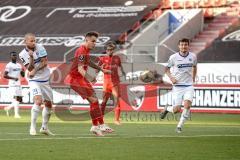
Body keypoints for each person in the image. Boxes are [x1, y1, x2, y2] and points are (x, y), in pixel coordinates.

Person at [65, 31, 114, 136]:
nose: (94, 43)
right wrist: (90, 77)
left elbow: (88, 62)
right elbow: (80, 69)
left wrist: (101, 69)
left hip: (79, 79)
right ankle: (99, 125)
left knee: (94, 101)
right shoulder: (82, 51)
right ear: (86, 40)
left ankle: (97, 126)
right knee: (94, 100)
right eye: (93, 41)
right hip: (75, 79)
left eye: (95, 42)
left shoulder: (85, 50)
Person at [19, 33, 54, 136]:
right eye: (31, 41)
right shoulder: (22, 54)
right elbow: (29, 69)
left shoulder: (40, 47)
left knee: (49, 105)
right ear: (25, 42)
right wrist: (31, 58)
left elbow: (45, 62)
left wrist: (35, 69)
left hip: (45, 79)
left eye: (34, 40)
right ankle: (32, 127)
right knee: (38, 101)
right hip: (34, 80)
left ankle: (44, 127)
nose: (34, 42)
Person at [160, 38, 197, 133]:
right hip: (178, 86)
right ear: (179, 46)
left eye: (185, 44)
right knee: (176, 110)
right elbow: (166, 69)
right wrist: (171, 78)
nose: (184, 46)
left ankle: (179, 126)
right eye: (182, 45)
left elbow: (194, 66)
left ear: (188, 46)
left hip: (189, 86)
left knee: (187, 105)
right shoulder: (173, 57)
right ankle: (167, 108)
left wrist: (193, 78)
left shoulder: (193, 56)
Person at [98, 41, 125, 125]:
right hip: (106, 83)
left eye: (111, 50)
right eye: (108, 50)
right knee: (104, 102)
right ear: (106, 50)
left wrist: (123, 73)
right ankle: (100, 119)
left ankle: (116, 120)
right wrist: (100, 68)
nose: (110, 51)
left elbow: (120, 67)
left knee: (117, 100)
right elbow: (96, 69)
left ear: (113, 50)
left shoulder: (117, 58)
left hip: (115, 83)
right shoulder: (102, 59)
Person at [4, 51, 25, 118]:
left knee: (19, 99)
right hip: (12, 84)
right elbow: (5, 75)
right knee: (16, 99)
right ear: (10, 57)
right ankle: (16, 114)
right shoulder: (9, 65)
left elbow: (23, 75)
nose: (14, 56)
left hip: (18, 83)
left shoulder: (19, 65)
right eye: (13, 55)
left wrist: (23, 71)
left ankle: (8, 108)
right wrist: (13, 78)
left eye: (15, 55)